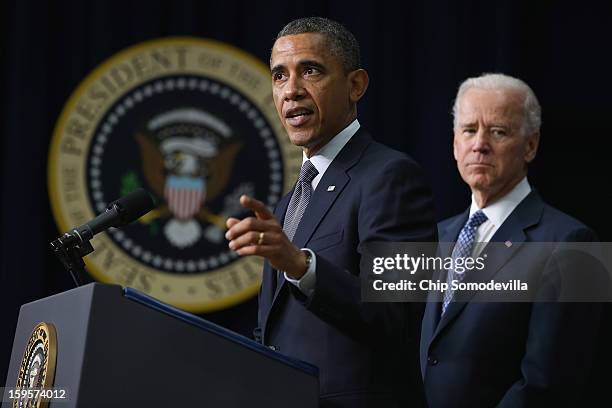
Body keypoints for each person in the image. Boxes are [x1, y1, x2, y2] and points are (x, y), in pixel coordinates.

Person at [225, 17, 436, 407]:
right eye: (279, 76)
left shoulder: (391, 177)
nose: (291, 91)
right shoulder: (289, 202)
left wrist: (302, 265)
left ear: (355, 85)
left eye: (310, 71)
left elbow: (398, 315)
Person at [420, 73, 603, 407]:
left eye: (498, 131)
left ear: (530, 145)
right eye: (469, 130)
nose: (479, 144)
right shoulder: (437, 236)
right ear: (454, 144)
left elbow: (548, 385)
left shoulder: (574, 245)